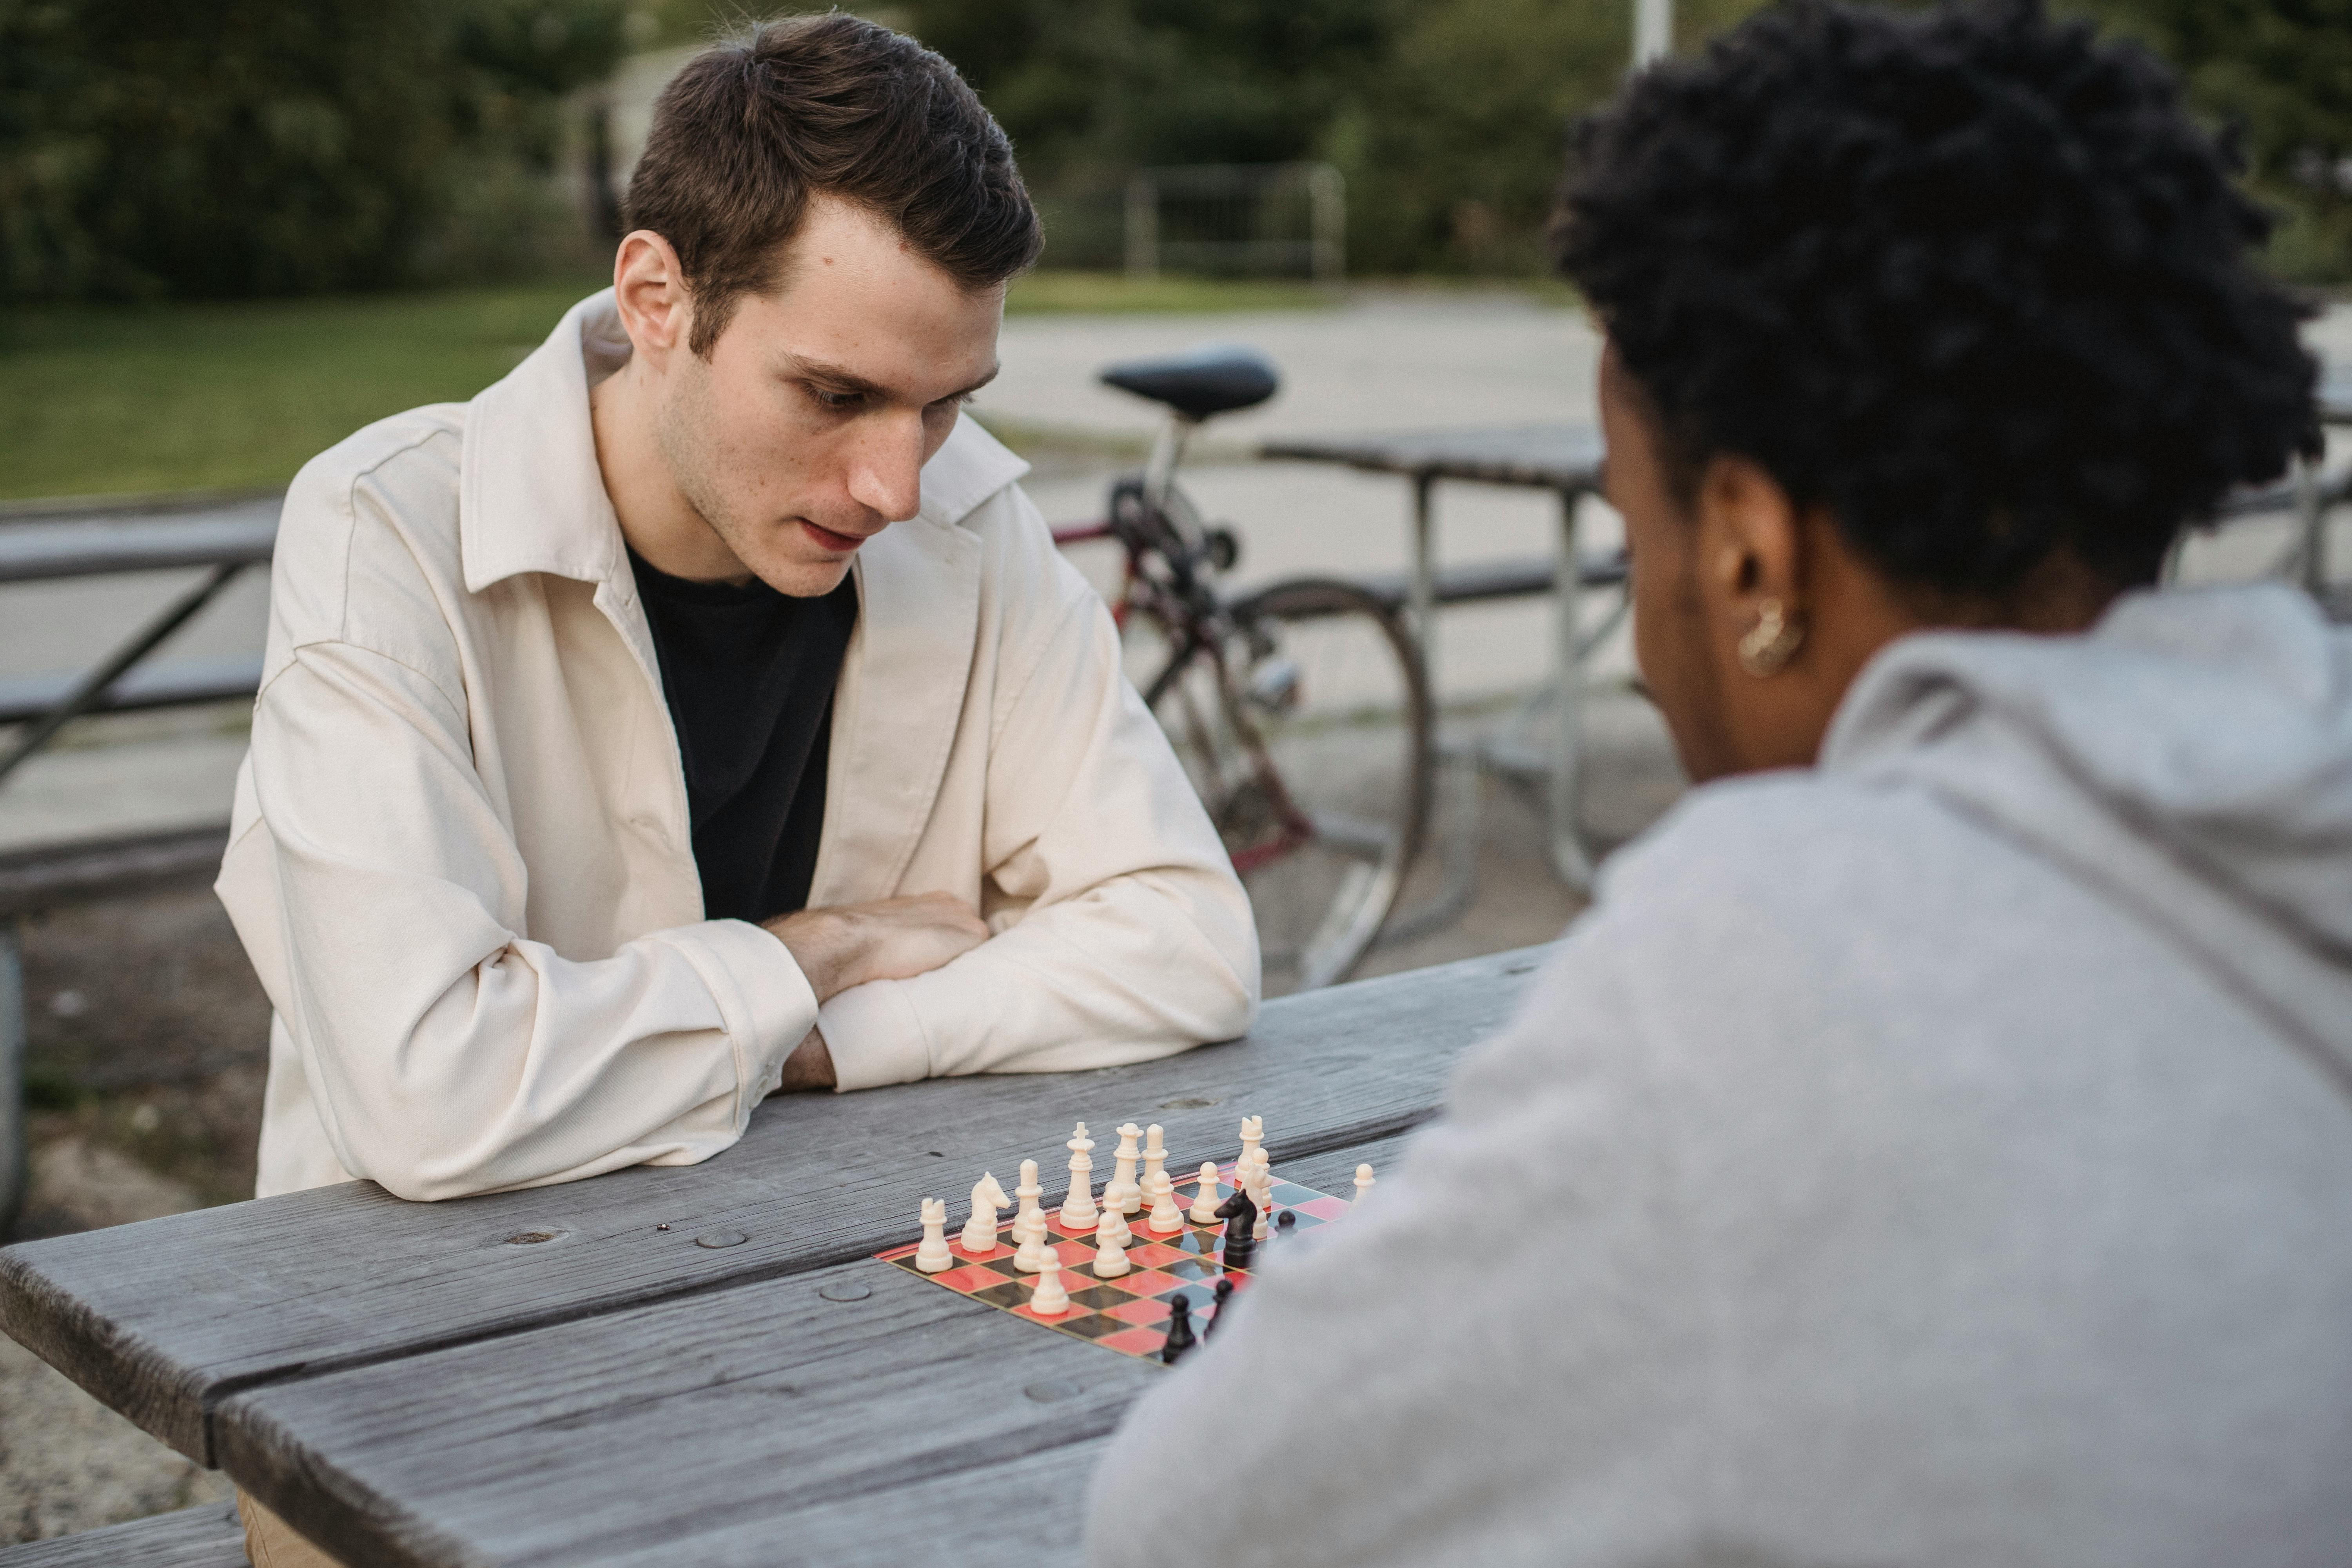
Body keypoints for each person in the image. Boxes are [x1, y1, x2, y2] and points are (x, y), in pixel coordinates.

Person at [1086, 3, 2351, 1564]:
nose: (1636, 635)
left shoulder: (1785, 942)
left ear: (1750, 549)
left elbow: (1193, 1514)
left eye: (1639, 535)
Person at [215, 14, 1257, 1209]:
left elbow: (1191, 943)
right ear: (657, 297)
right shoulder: (386, 529)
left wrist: (817, 1043)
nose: (898, 486)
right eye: (836, 394)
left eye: (943, 404)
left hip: (823, 1283)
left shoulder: (972, 514)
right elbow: (429, 1093)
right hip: (415, 1334)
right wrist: (817, 957)